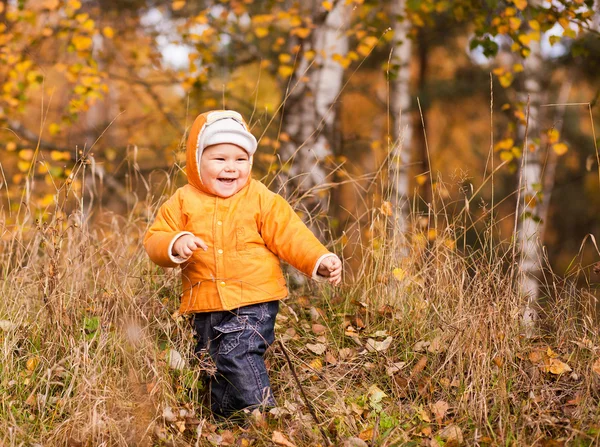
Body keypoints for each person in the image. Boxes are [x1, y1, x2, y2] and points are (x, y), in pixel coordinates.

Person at [144, 110, 342, 418]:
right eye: (220, 159)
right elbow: (155, 239)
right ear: (197, 162)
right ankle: (226, 422)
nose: (231, 168)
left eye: (240, 159)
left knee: (237, 353)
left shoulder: (261, 198)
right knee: (213, 364)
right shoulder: (183, 201)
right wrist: (175, 242)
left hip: (254, 298)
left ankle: (266, 417)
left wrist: (319, 259)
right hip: (205, 301)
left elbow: (290, 235)